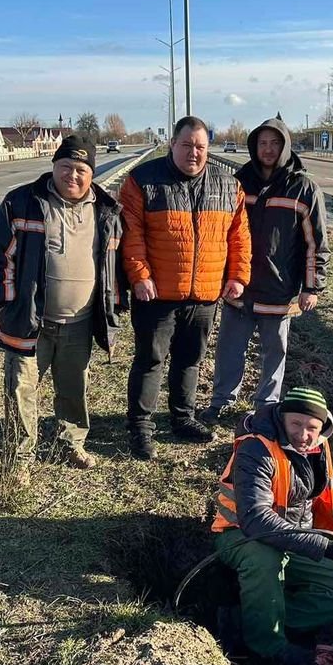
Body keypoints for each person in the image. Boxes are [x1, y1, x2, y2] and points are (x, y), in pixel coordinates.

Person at [0, 135, 128, 470]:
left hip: (81, 321)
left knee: (74, 388)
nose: (71, 175)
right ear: (53, 167)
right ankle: (20, 461)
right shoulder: (21, 202)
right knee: (21, 392)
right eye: (65, 167)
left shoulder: (106, 211)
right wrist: (6, 303)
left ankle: (71, 444)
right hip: (31, 322)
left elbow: (114, 265)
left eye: (80, 169)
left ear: (91, 173)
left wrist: (113, 305)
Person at [120, 115, 252, 460]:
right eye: (186, 145)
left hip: (205, 293)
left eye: (201, 146)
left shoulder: (228, 185)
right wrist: (139, 275)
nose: (194, 152)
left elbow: (239, 236)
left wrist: (238, 276)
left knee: (190, 360)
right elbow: (131, 235)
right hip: (156, 293)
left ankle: (182, 419)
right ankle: (141, 429)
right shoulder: (143, 182)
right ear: (171, 145)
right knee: (150, 360)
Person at [210, 387, 333, 665]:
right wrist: (323, 545)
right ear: (282, 417)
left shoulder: (317, 447)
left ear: (322, 428)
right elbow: (255, 518)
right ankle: (269, 647)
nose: (303, 434)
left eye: (312, 427)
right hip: (239, 535)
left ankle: (244, 621)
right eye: (296, 423)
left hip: (292, 539)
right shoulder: (257, 448)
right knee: (265, 558)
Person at [200, 118, 329, 425]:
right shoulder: (239, 182)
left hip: (279, 289)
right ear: (254, 146)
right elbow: (222, 231)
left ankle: (266, 406)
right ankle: (221, 401)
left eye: (275, 143)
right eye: (262, 143)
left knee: (275, 353)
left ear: (285, 146)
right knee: (229, 349)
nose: (268, 150)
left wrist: (311, 287)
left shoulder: (304, 188)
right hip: (239, 287)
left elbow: (315, 244)